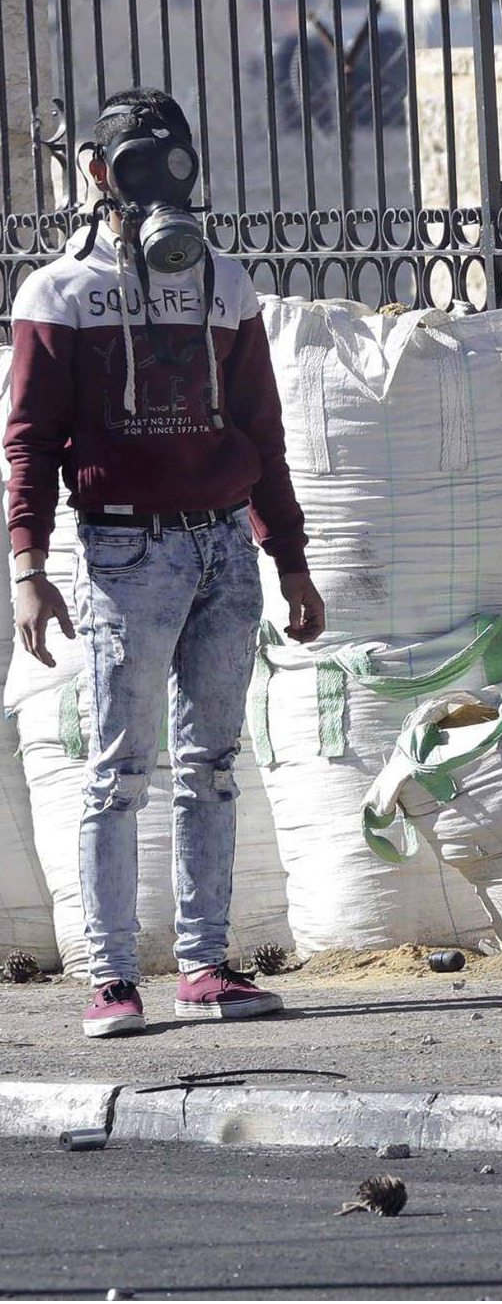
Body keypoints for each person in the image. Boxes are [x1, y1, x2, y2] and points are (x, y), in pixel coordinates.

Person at [5, 87, 326, 1037]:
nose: (162, 181)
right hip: (122, 550)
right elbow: (27, 439)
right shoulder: (57, 292)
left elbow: (260, 428)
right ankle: (110, 978)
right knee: (117, 770)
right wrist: (28, 562)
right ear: (100, 175)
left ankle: (205, 965)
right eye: (139, 162)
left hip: (223, 544)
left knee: (212, 766)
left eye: (175, 158)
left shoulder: (224, 282)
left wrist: (288, 558)